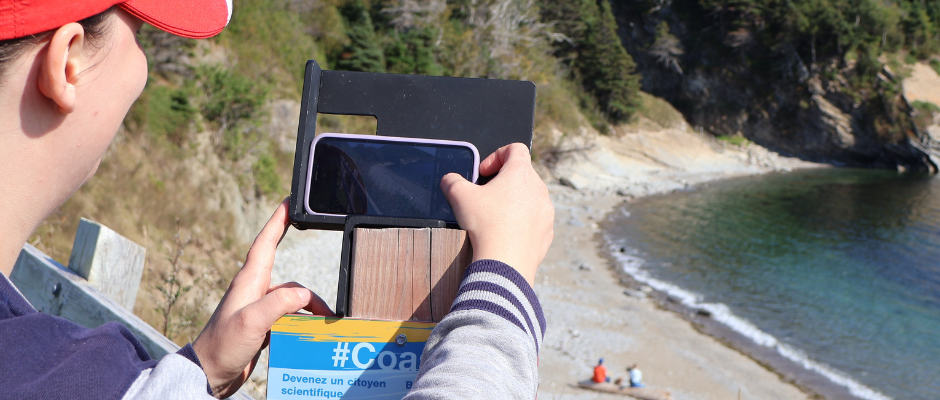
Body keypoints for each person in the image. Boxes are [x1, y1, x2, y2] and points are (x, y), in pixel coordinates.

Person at [0, 1, 554, 398]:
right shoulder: (60, 374)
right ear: (68, 59)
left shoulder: (45, 366)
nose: (143, 66)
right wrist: (503, 279)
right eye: (139, 33)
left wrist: (200, 371)